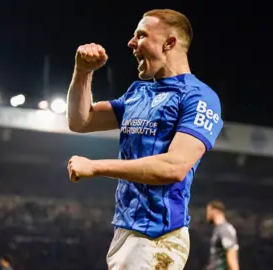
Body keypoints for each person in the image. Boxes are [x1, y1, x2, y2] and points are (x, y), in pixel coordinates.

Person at [66, 9, 224, 269]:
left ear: (169, 43)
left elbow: (174, 166)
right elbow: (80, 121)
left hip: (157, 237)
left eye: (141, 35)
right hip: (126, 230)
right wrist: (82, 72)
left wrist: (95, 166)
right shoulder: (138, 92)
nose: (131, 43)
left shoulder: (199, 97)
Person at [205, 200, 239, 270]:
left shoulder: (225, 229)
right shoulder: (218, 229)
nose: (207, 215)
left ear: (214, 211)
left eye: (208, 211)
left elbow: (231, 254)